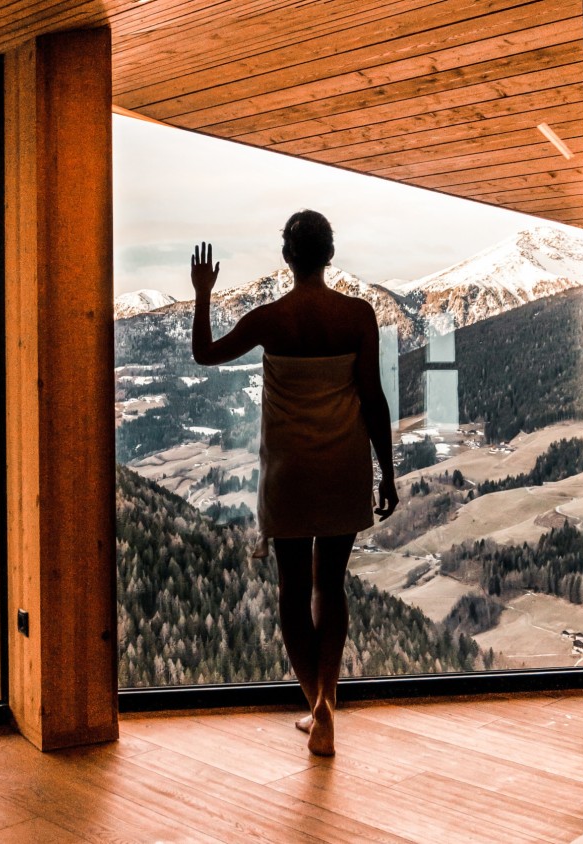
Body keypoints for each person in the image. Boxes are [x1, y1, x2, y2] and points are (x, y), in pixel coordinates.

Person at [189, 210, 398, 756]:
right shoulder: (357, 315)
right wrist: (387, 470)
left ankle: (317, 709)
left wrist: (204, 293)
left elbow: (204, 354)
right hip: (343, 466)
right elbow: (373, 398)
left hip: (289, 472)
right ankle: (326, 702)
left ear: (288, 257)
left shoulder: (270, 318)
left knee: (292, 590)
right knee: (331, 585)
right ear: (329, 255)